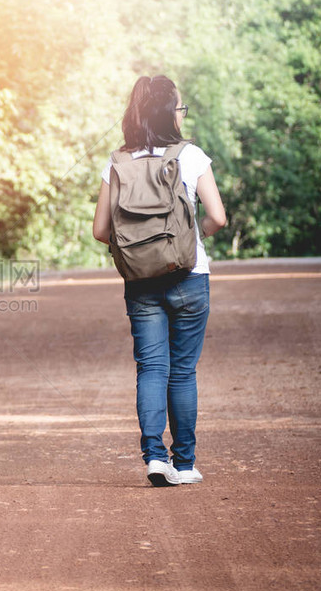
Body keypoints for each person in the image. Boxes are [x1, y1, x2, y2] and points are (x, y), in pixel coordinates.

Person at [92, 75, 226, 487]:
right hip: (188, 275)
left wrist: (134, 245)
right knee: (183, 372)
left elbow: (100, 230)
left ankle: (154, 457)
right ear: (171, 112)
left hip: (140, 280)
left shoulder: (118, 162)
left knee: (151, 369)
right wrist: (194, 234)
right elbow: (219, 217)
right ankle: (184, 464)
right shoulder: (191, 157)